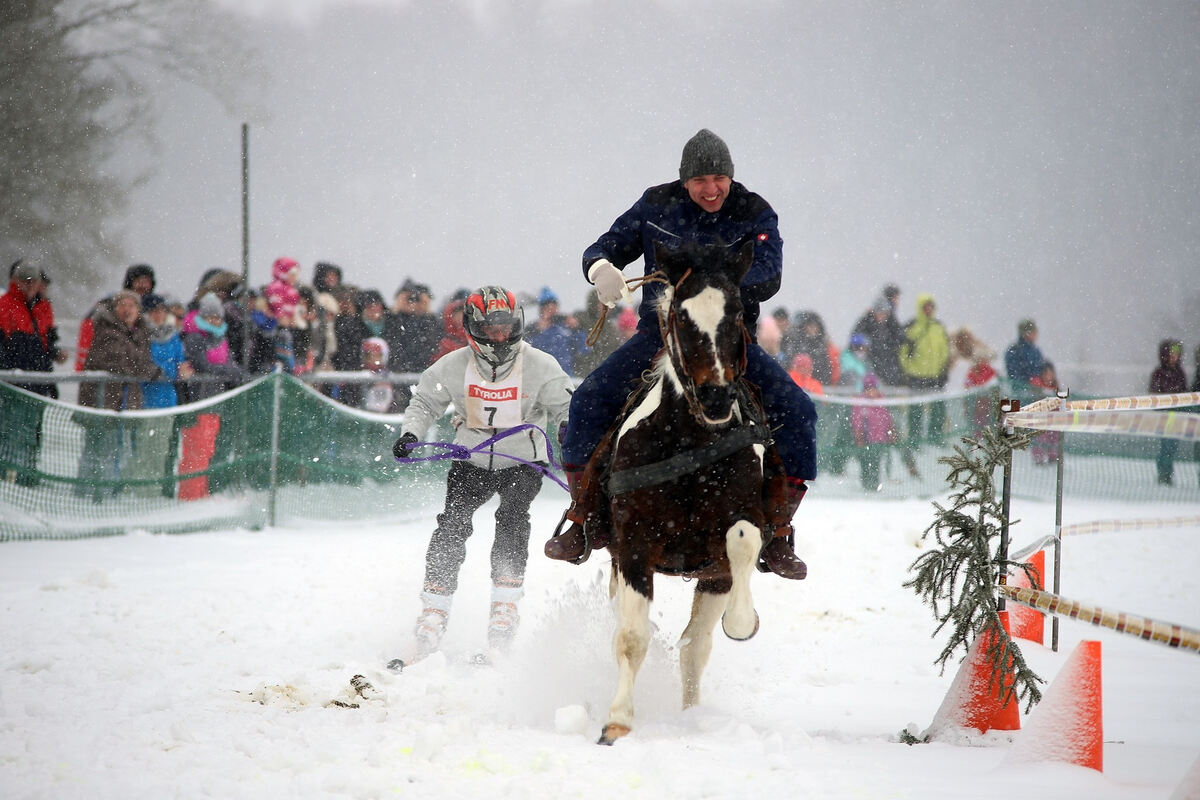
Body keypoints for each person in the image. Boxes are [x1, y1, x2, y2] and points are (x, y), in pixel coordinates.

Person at [546, 128, 816, 579]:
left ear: (730, 177)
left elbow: (769, 275)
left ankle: (781, 529)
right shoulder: (656, 205)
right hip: (660, 334)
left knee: (798, 409)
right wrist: (600, 269)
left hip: (733, 340)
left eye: (718, 179)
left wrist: (711, 288)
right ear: (684, 181)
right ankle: (582, 515)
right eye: (699, 181)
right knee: (589, 399)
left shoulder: (755, 212)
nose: (710, 189)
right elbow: (604, 246)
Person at [390, 286, 572, 660]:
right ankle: (433, 611)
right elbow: (424, 401)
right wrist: (411, 433)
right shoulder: (453, 365)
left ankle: (504, 611)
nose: (500, 336)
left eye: (506, 327)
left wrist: (569, 429)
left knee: (512, 520)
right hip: (470, 460)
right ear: (474, 328)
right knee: (452, 525)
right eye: (491, 328)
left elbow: (565, 405)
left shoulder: (540, 365)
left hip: (522, 463)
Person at [76, 290, 167, 501]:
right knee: (97, 447)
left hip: (126, 400)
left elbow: (138, 360)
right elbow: (122, 362)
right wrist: (151, 371)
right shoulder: (107, 330)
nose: (127, 310)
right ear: (115, 308)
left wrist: (148, 369)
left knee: (120, 447)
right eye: (122, 305)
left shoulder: (140, 333)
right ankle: (86, 493)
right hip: (102, 399)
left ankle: (110, 492)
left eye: (132, 306)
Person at [75, 263, 157, 372]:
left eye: (146, 282)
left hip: (138, 377)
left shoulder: (155, 308)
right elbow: (88, 332)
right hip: (110, 371)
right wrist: (82, 367)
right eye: (138, 281)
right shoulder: (109, 304)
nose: (142, 286)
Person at [899, 293, 950, 446]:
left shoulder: (938, 327)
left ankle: (935, 438)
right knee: (916, 410)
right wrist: (908, 369)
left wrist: (943, 371)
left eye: (931, 307)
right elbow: (903, 351)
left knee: (938, 409)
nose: (928, 310)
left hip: (936, 376)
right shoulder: (911, 327)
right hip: (917, 376)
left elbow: (944, 350)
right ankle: (914, 440)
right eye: (925, 307)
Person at [1149, 339, 1187, 486]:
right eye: (1171, 353)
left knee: (1171, 448)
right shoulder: (1159, 373)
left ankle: (1167, 475)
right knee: (1166, 447)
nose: (1174, 357)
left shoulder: (1180, 373)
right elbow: (1154, 394)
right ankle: (1164, 475)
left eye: (1176, 354)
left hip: (1177, 416)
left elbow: (1185, 394)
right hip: (1164, 417)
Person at [384, 278, 441, 376]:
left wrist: (426, 312)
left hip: (422, 370)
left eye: (417, 300)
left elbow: (433, 341)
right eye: (409, 299)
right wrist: (398, 308)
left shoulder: (429, 322)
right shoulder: (393, 319)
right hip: (398, 372)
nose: (413, 303)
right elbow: (390, 338)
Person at [851, 374, 896, 492]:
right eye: (868, 388)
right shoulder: (860, 402)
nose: (871, 391)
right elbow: (857, 421)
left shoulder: (882, 401)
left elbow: (887, 419)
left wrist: (890, 432)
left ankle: (874, 485)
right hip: (865, 439)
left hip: (879, 439)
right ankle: (866, 484)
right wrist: (859, 436)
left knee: (876, 462)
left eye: (873, 388)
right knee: (865, 461)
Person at [851, 292, 905, 387]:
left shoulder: (892, 325)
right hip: (871, 368)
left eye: (885, 313)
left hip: (890, 369)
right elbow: (855, 341)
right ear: (874, 312)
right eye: (880, 312)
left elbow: (901, 339)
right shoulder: (865, 323)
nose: (882, 316)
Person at [1004, 318, 1045, 400]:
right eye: (1034, 332)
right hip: (1021, 394)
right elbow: (1013, 373)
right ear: (1026, 333)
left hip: (1036, 392)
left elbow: (1041, 368)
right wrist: (1029, 381)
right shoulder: (1015, 350)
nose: (1036, 334)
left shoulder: (1035, 350)